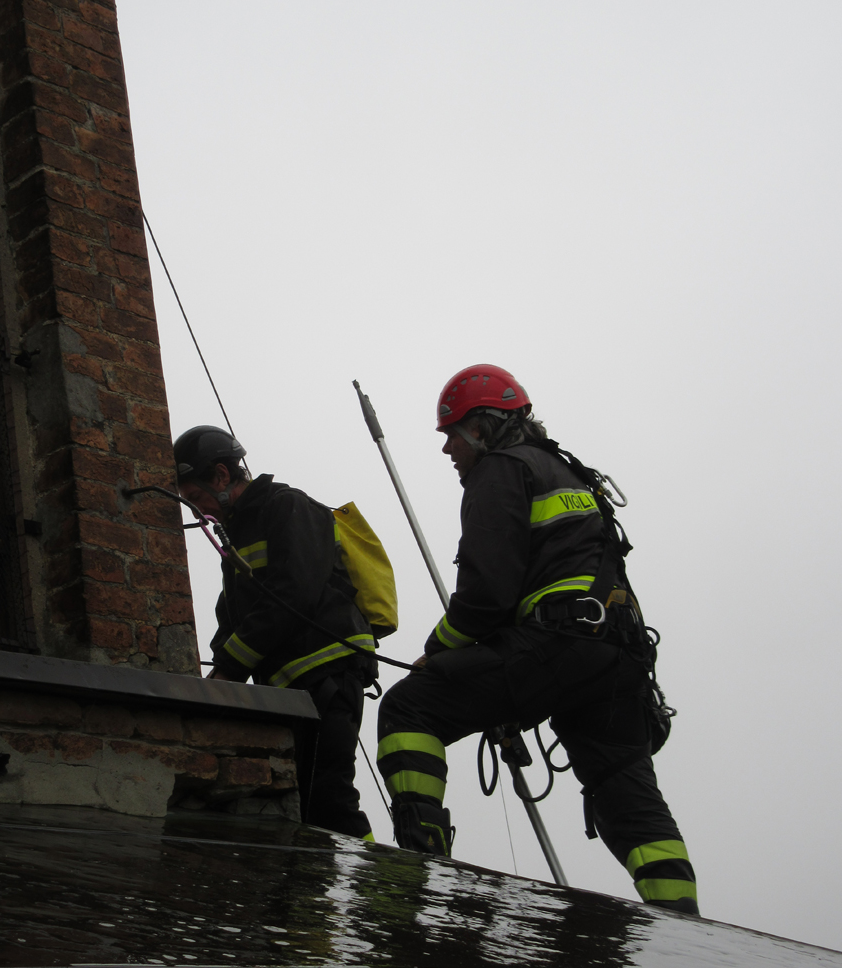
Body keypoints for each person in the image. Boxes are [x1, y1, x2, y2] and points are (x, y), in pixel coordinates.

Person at [376, 365, 698, 914]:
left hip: (558, 643)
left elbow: (485, 596)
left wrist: (436, 652)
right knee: (629, 795)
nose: (448, 447)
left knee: (410, 707)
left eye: (453, 432)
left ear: (484, 425)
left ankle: (418, 870)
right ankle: (686, 927)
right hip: (617, 653)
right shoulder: (570, 474)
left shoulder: (500, 470)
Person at [174, 425, 376, 841]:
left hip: (329, 674)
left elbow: (293, 593)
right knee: (304, 804)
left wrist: (230, 670)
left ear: (221, 476)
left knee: (329, 797)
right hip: (293, 689)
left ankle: (380, 898)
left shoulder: (289, 507)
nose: (197, 513)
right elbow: (233, 615)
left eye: (195, 498)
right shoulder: (238, 538)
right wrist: (214, 683)